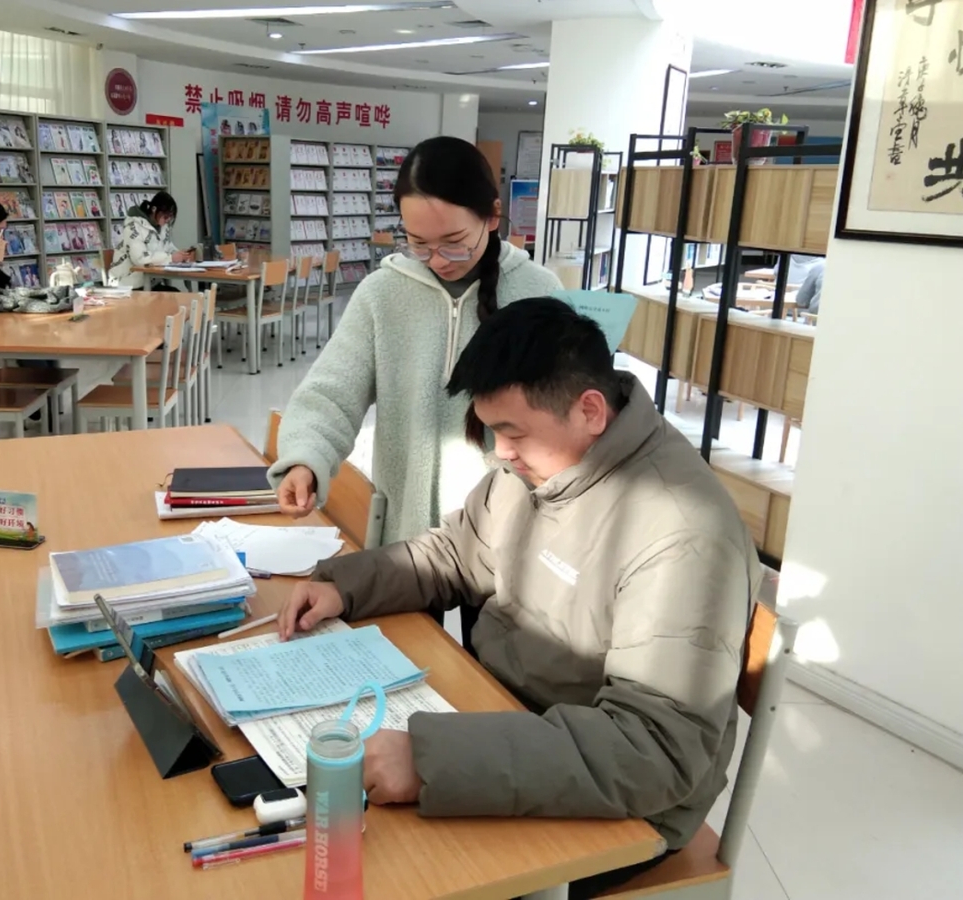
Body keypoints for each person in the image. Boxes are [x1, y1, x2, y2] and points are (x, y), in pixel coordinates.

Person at [278, 298, 760, 900]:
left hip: (619, 802)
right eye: (493, 430)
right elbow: (456, 552)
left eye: (512, 432)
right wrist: (344, 586)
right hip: (508, 725)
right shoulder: (543, 463)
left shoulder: (685, 536)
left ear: (590, 410)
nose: (500, 452)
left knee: (373, 873)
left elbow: (652, 751)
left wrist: (429, 760)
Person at [267, 135, 561, 649]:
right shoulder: (383, 293)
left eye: (454, 241)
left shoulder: (539, 292)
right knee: (404, 662)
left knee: (494, 675)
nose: (437, 259)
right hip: (407, 536)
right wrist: (307, 459)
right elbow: (333, 390)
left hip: (505, 537)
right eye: (417, 243)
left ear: (493, 216)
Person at [106, 190, 193, 290]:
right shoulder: (133, 227)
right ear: (154, 209)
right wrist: (171, 258)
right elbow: (140, 259)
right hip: (128, 284)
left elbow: (168, 247)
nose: (168, 220)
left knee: (176, 294)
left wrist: (181, 255)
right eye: (166, 216)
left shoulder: (162, 227)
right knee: (173, 296)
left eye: (170, 217)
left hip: (150, 283)